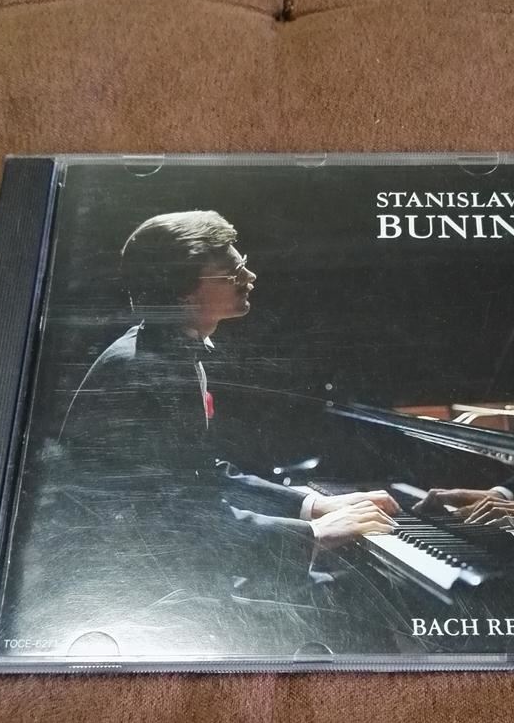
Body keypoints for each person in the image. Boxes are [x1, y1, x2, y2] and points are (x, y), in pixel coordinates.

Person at [58, 211, 400, 608]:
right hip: (136, 594)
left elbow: (201, 475)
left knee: (351, 589)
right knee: (356, 601)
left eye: (244, 266)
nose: (249, 277)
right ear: (184, 290)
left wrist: (312, 505)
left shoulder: (166, 350)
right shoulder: (142, 371)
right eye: (233, 273)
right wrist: (314, 533)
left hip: (166, 571)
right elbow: (166, 520)